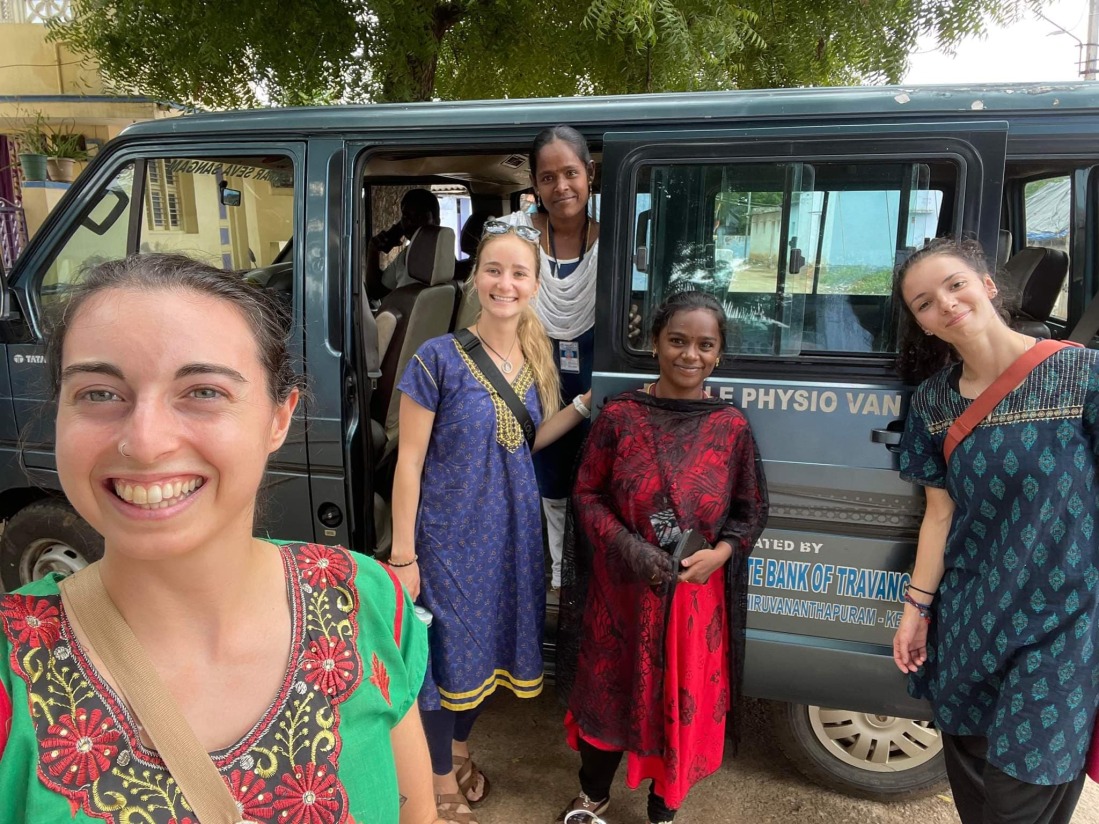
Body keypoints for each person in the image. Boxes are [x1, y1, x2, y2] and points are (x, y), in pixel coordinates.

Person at [0, 253, 444, 824]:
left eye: (204, 392)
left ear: (279, 418)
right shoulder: (12, 672)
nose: (145, 442)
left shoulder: (366, 602)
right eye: (99, 394)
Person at [389, 221, 592, 824]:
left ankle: (456, 747)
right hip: (449, 538)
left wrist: (581, 408)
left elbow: (523, 443)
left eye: (518, 273)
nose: (505, 283)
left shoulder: (536, 354)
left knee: (492, 652)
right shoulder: (437, 358)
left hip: (513, 535)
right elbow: (409, 461)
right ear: (476, 278)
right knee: (446, 659)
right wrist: (403, 555)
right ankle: (439, 777)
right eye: (493, 270)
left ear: (535, 284)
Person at [892, 237, 1099, 824]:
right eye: (925, 302)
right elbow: (939, 514)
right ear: (923, 325)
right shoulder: (932, 404)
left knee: (1022, 796)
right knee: (977, 791)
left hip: (1066, 623)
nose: (946, 303)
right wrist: (917, 608)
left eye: (955, 283)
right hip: (971, 620)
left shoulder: (1083, 375)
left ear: (987, 285)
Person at [555, 290, 768, 824]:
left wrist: (721, 554)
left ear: (718, 354)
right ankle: (593, 796)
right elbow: (586, 494)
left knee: (676, 703)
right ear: (655, 344)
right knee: (608, 695)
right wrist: (630, 548)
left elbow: (751, 509)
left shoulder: (731, 426)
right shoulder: (621, 417)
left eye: (704, 344)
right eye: (677, 341)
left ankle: (663, 804)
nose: (689, 355)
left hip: (692, 600)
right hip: (620, 594)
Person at [506, 125, 600, 595]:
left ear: (590, 174)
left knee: (593, 474)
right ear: (536, 185)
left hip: (592, 374)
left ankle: (586, 575)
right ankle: (553, 576)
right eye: (548, 177)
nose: (561, 186)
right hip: (534, 373)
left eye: (570, 173)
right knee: (542, 471)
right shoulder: (517, 241)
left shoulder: (614, 243)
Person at [367, 188, 443, 301]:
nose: (411, 222)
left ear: (436, 221)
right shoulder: (405, 256)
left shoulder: (443, 256)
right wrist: (373, 249)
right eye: (406, 216)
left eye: (419, 217)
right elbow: (376, 291)